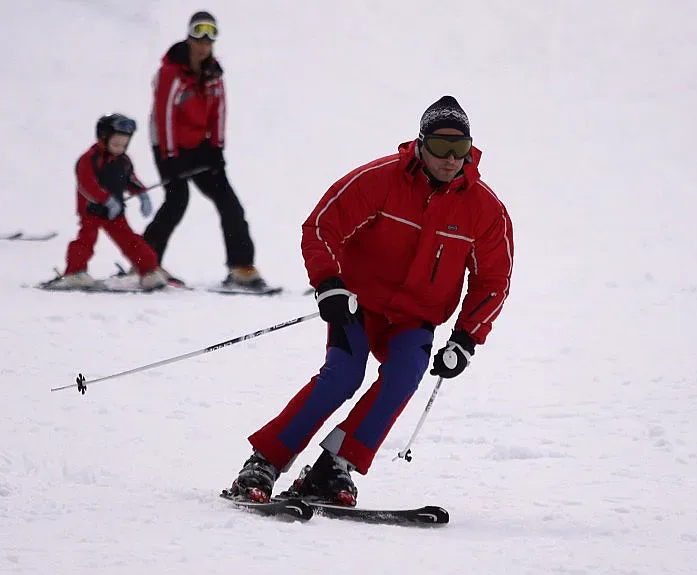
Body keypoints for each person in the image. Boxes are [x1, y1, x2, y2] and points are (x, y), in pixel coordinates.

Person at [226, 96, 514, 506]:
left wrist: (466, 339)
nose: (451, 159)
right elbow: (322, 225)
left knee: (404, 377)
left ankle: (333, 468)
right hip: (357, 306)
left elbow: (493, 279)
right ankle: (264, 460)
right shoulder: (381, 179)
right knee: (343, 375)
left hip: (415, 317)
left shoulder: (485, 210)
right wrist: (329, 284)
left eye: (460, 149)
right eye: (440, 147)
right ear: (420, 144)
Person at [143, 11, 267, 289]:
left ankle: (241, 268)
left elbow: (219, 111)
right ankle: (145, 263)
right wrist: (170, 156)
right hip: (168, 148)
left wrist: (216, 149)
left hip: (201, 148)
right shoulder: (171, 72)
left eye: (209, 39)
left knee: (229, 204)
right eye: (198, 37)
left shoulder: (213, 73)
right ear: (189, 37)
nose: (203, 45)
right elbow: (163, 116)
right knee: (177, 201)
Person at [50, 113, 166, 290]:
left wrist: (142, 195)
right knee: (86, 240)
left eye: (124, 145)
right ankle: (75, 272)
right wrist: (106, 200)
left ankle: (149, 270)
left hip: (115, 212)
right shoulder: (89, 159)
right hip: (92, 211)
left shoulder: (124, 161)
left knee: (131, 241)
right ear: (103, 139)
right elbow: (86, 184)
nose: (120, 148)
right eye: (116, 144)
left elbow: (130, 179)